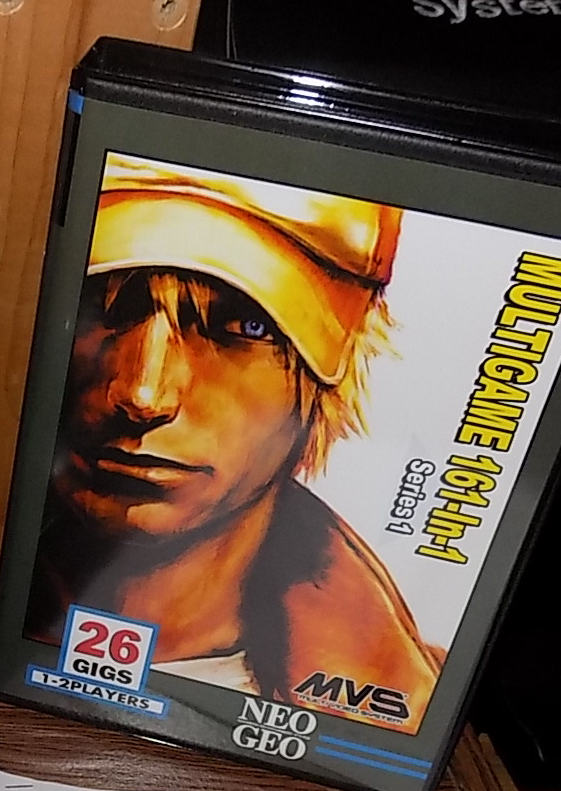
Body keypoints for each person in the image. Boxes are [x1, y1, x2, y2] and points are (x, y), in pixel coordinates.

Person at [24, 154, 441, 729]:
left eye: (245, 326)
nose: (144, 392)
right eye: (105, 302)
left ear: (334, 370)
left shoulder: (399, 709)